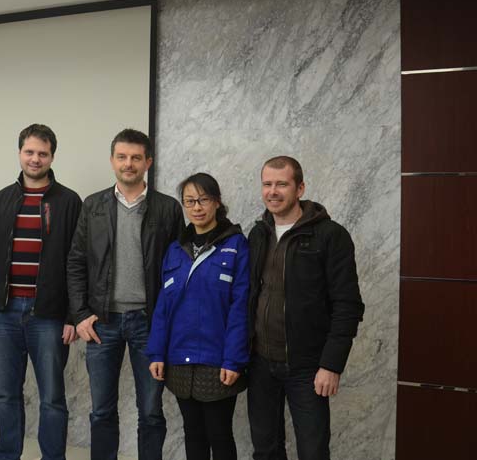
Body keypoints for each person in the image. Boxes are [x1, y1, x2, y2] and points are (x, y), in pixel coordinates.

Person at [67, 128, 183, 460]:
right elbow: (76, 262)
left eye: (135, 157)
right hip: (102, 322)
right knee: (102, 411)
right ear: (112, 160)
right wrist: (80, 314)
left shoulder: (167, 208)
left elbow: (178, 270)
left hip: (150, 322)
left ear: (148, 162)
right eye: (122, 157)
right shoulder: (93, 205)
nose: (128, 164)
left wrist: (169, 321)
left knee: (151, 411)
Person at [247, 156, 364, 460]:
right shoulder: (258, 234)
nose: (273, 191)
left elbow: (348, 304)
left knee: (313, 452)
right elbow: (250, 295)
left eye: (281, 184)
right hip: (260, 364)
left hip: (308, 367)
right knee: (265, 450)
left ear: (300, 188)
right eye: (267, 184)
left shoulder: (330, 235)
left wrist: (331, 365)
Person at [0, 124, 82, 460]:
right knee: (6, 395)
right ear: (19, 153)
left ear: (52, 156)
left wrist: (73, 315)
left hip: (49, 315)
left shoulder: (68, 201)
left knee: (52, 398)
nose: (35, 159)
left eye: (42, 153)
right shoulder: (2, 198)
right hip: (3, 313)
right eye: (29, 152)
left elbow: (79, 260)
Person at [147, 173, 249, 460]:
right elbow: (163, 307)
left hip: (217, 360)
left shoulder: (236, 245)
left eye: (203, 199)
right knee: (193, 433)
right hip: (179, 359)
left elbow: (241, 307)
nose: (197, 207)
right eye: (190, 201)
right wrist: (157, 353)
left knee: (220, 434)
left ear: (217, 202)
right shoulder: (174, 250)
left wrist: (233, 359)